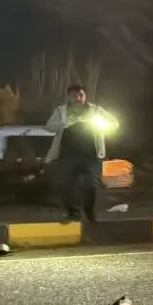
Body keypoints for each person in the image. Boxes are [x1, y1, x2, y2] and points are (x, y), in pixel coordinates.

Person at [45, 85, 118, 222]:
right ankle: (73, 212)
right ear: (69, 97)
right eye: (74, 96)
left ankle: (89, 211)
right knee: (67, 185)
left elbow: (114, 124)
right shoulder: (61, 111)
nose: (78, 99)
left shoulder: (95, 110)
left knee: (91, 185)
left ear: (85, 95)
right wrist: (64, 123)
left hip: (90, 156)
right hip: (68, 155)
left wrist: (101, 126)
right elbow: (49, 127)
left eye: (81, 95)